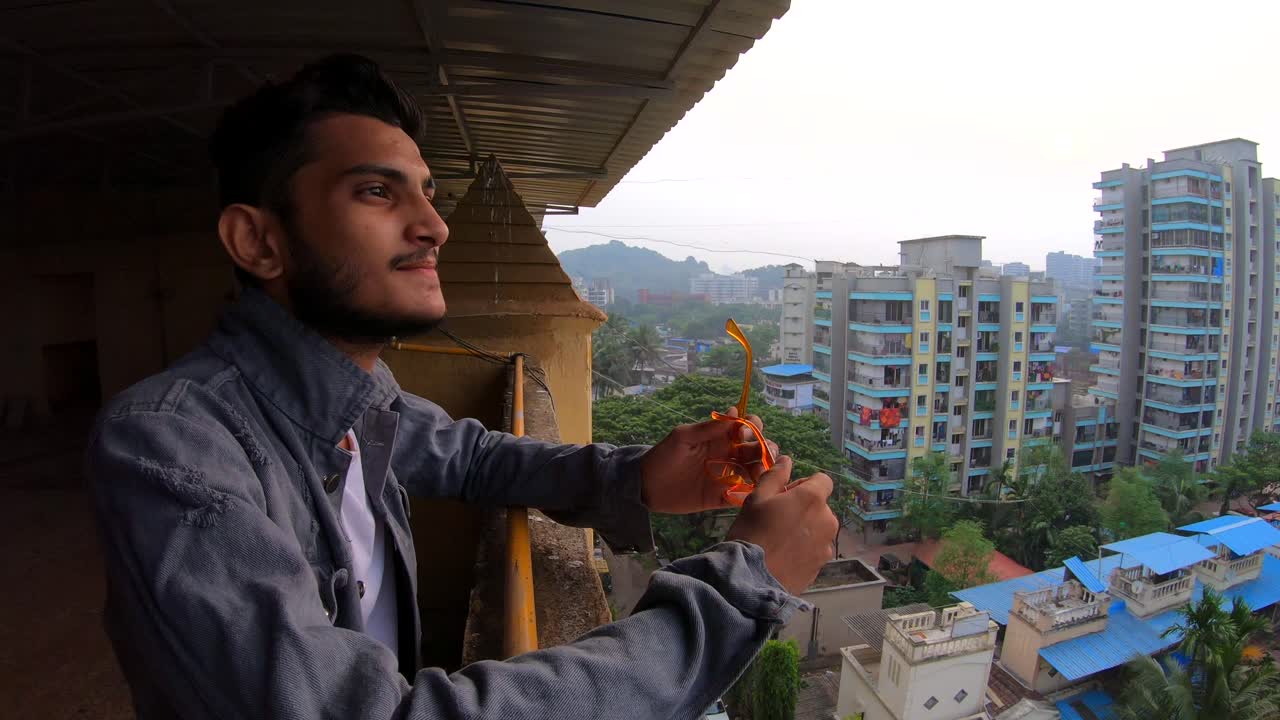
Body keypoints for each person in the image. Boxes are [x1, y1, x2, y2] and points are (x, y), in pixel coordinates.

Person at [86, 54, 838, 720]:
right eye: (378, 193)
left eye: (428, 192)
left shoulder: (361, 398)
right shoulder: (170, 446)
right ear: (259, 242)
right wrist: (738, 591)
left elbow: (473, 458)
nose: (435, 226)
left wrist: (636, 476)